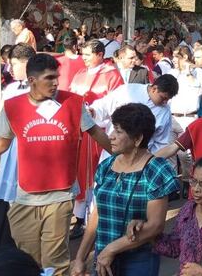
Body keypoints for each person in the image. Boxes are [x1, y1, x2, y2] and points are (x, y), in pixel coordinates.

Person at [0, 53, 113, 274]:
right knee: (26, 261)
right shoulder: (13, 106)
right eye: (49, 78)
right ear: (32, 80)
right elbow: (0, 144)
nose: (55, 83)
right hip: (25, 197)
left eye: (57, 77)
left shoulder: (73, 102)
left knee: (55, 263)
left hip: (61, 195)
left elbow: (97, 133)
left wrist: (125, 158)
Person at [71, 103, 178, 275]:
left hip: (138, 260)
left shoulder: (156, 170)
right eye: (113, 129)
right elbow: (98, 214)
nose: (111, 136)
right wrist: (80, 258)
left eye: (118, 132)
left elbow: (155, 226)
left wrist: (112, 248)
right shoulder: (107, 166)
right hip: (103, 259)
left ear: (137, 139)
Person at [70, 39, 124, 237]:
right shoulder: (79, 74)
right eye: (82, 54)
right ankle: (79, 218)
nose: (83, 58)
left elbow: (117, 105)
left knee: (96, 173)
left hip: (99, 133)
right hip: (79, 133)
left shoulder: (112, 75)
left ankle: (96, 217)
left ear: (100, 55)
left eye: (87, 54)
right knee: (79, 173)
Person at [0, 43, 37, 251]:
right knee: (5, 196)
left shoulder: (40, 89)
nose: (10, 69)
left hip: (30, 151)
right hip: (9, 148)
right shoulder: (10, 89)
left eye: (14, 64)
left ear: (27, 63)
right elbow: (1, 125)